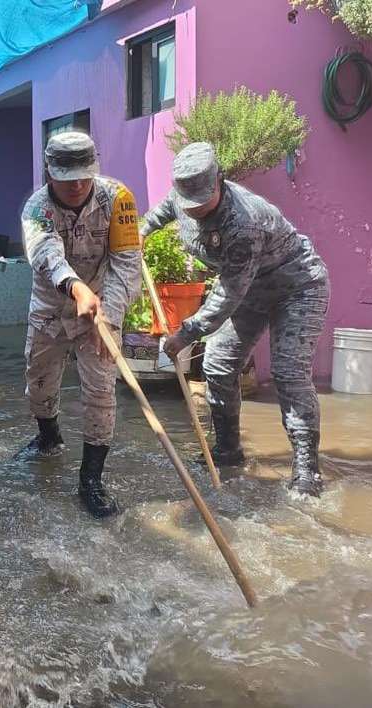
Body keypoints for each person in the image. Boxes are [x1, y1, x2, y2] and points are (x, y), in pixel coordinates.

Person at [142, 142, 330, 497]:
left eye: (202, 203)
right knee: (217, 364)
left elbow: (228, 294)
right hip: (250, 289)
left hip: (296, 287)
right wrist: (140, 231)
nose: (194, 210)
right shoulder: (185, 192)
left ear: (220, 182)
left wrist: (185, 334)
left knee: (289, 373)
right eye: (189, 204)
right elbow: (166, 209)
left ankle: (308, 472)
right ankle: (228, 450)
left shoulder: (244, 222)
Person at [21, 132, 142, 517]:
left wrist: (109, 315)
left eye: (83, 175)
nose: (76, 185)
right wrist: (75, 289)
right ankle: (48, 437)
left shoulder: (117, 199)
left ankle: (91, 478)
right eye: (66, 176)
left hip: (101, 307)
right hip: (52, 304)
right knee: (38, 381)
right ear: (49, 173)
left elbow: (126, 265)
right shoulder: (36, 209)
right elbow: (46, 253)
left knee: (101, 390)